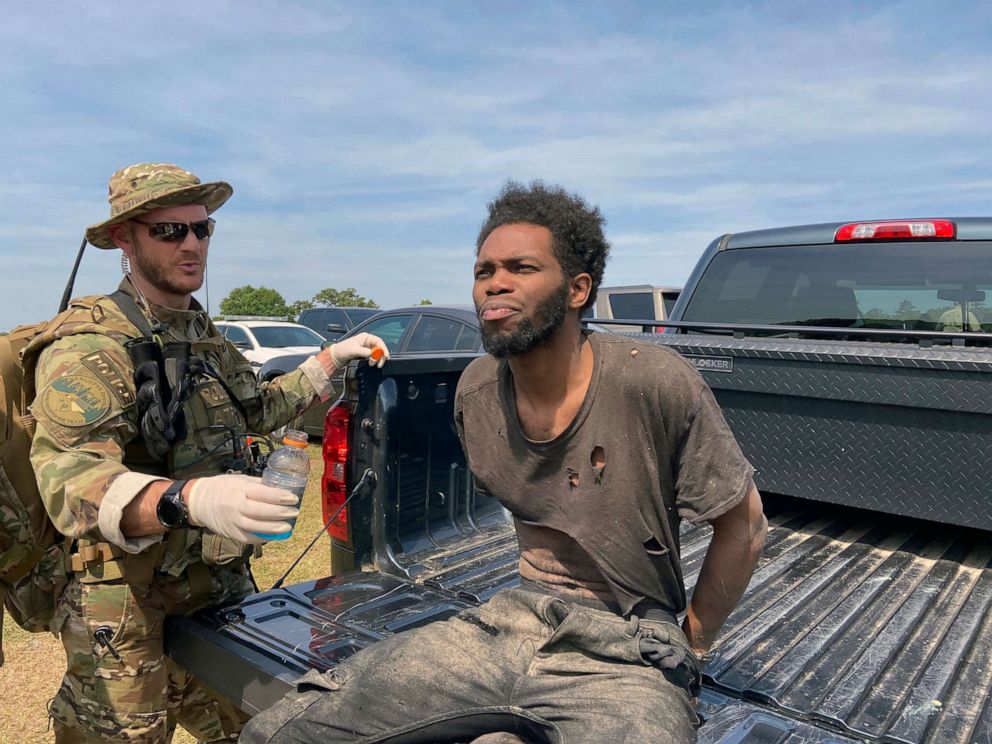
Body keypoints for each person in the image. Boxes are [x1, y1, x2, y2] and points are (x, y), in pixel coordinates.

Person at [240, 181, 767, 744]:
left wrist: (693, 640)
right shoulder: (476, 390)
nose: (495, 283)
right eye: (484, 270)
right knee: (280, 733)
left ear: (577, 289)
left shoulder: (650, 379)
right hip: (507, 622)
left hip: (625, 648)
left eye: (521, 267)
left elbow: (745, 525)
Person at [30, 162, 389, 743]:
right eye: (170, 231)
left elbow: (258, 409)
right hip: (124, 600)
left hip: (214, 585)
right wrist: (186, 498)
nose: (192, 243)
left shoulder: (201, 334)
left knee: (260, 727)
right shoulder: (90, 346)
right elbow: (71, 481)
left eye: (202, 229)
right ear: (125, 238)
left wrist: (330, 360)